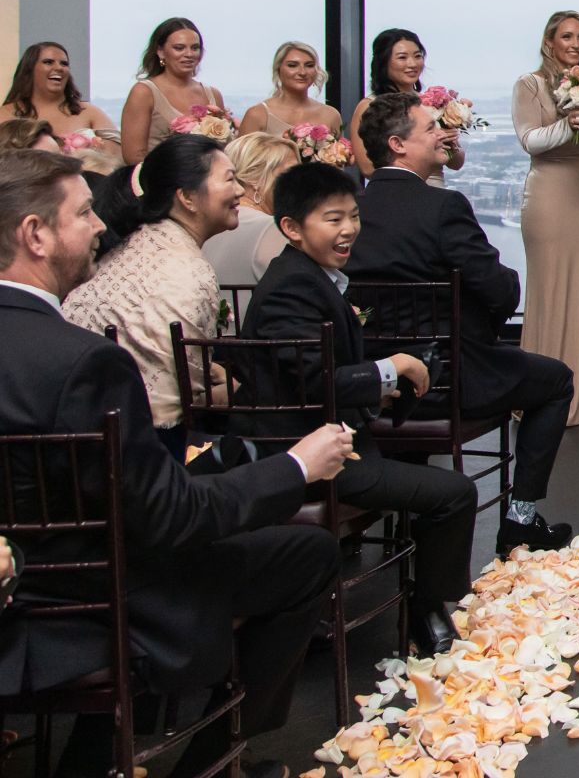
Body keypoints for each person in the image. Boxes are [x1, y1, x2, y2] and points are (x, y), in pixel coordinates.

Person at [0, 148, 354, 778]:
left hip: (21, 589)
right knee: (308, 553)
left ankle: (97, 751)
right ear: (35, 235)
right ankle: (217, 758)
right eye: (83, 213)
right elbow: (169, 517)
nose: (102, 226)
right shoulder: (82, 362)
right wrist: (296, 467)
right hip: (92, 603)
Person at [240, 162, 475, 656]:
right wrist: (390, 368)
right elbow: (311, 378)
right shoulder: (292, 287)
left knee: (423, 474)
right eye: (332, 219)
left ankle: (420, 597)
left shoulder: (310, 276)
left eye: (352, 216)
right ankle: (425, 608)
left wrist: (379, 385)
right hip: (308, 455)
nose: (348, 229)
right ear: (291, 227)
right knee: (454, 492)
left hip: (340, 434)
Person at [348, 92, 574, 557]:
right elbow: (498, 290)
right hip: (447, 380)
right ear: (398, 144)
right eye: (429, 128)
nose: (442, 134)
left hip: (369, 383)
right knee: (555, 381)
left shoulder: (349, 212)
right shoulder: (441, 207)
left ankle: (404, 519)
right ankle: (520, 519)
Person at [66, 135, 243, 456]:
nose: (241, 190)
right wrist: (240, 392)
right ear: (188, 197)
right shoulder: (188, 270)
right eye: (230, 179)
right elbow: (187, 399)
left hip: (88, 432)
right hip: (149, 448)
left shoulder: (128, 243)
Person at [510, 11, 579, 426]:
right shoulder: (530, 85)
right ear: (550, 41)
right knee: (551, 290)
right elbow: (530, 141)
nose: (575, 43)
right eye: (567, 36)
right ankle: (546, 394)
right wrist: (567, 123)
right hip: (550, 196)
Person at [349, 28, 465, 185]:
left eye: (417, 56)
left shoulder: (433, 102)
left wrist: (450, 141)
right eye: (402, 58)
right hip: (396, 189)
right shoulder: (369, 106)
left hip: (435, 191)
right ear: (383, 62)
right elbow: (367, 168)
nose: (412, 64)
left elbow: (456, 163)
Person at [120, 17, 228, 165]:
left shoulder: (213, 95)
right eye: (179, 48)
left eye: (195, 48)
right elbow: (133, 156)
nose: (189, 54)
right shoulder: (144, 92)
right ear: (161, 52)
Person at [202, 131, 298, 299]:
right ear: (254, 178)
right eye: (290, 174)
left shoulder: (210, 224)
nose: (300, 182)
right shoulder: (273, 228)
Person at [3, 40, 120, 154]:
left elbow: (115, 160)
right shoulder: (5, 114)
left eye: (64, 64)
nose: (59, 68)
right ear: (29, 69)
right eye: (48, 62)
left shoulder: (90, 112)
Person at [238, 40, 342, 139]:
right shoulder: (257, 114)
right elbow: (239, 157)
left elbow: (342, 154)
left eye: (309, 65)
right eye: (292, 65)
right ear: (278, 69)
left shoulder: (331, 115)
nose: (302, 72)